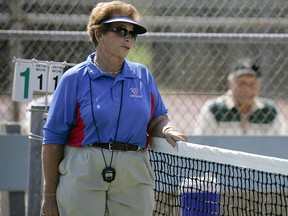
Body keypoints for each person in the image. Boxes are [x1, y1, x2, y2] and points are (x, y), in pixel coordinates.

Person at [40, 1, 187, 216]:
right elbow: (53, 140)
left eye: (133, 33)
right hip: (83, 169)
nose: (128, 37)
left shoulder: (142, 75)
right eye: (120, 30)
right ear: (98, 34)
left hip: (133, 170)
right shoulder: (73, 79)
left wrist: (166, 129)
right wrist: (49, 196)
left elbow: (157, 119)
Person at [194, 57, 287, 135]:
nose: (247, 89)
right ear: (230, 84)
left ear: (259, 85)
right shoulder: (214, 109)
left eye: (252, 84)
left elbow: (283, 145)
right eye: (241, 83)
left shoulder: (270, 111)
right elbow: (199, 145)